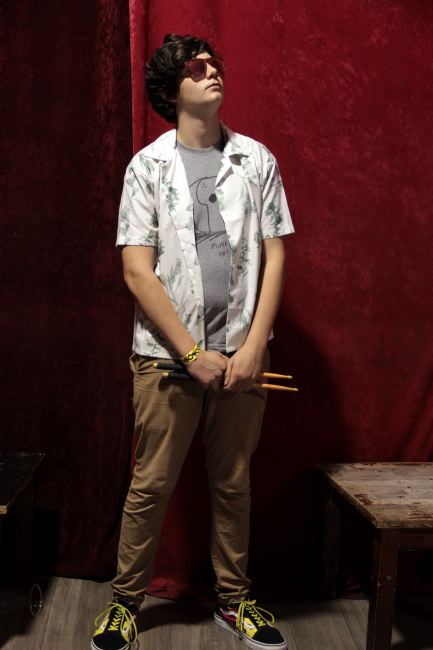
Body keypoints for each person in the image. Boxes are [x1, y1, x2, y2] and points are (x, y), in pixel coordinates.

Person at [91, 33, 294, 650]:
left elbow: (276, 256)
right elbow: (137, 270)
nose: (212, 71)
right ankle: (125, 604)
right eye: (195, 67)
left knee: (233, 483)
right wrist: (190, 353)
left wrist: (253, 347)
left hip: (244, 357)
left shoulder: (256, 160)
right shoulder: (147, 167)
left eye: (214, 63)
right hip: (165, 360)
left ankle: (234, 601)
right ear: (170, 90)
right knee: (151, 484)